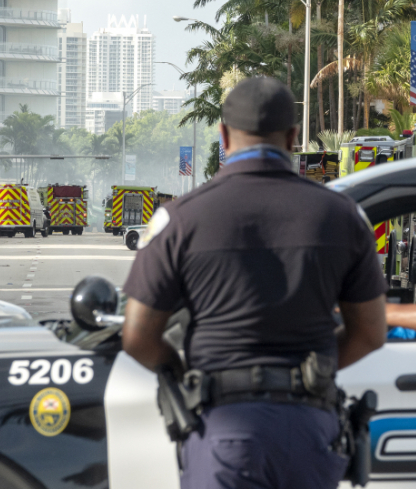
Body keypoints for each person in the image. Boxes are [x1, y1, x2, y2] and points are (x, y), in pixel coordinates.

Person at [121, 77, 386, 489]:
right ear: (294, 137)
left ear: (224, 135)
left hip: (223, 433)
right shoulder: (343, 216)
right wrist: (311, 372)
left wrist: (185, 372)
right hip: (311, 435)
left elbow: (138, 335)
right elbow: (370, 333)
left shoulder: (179, 220)